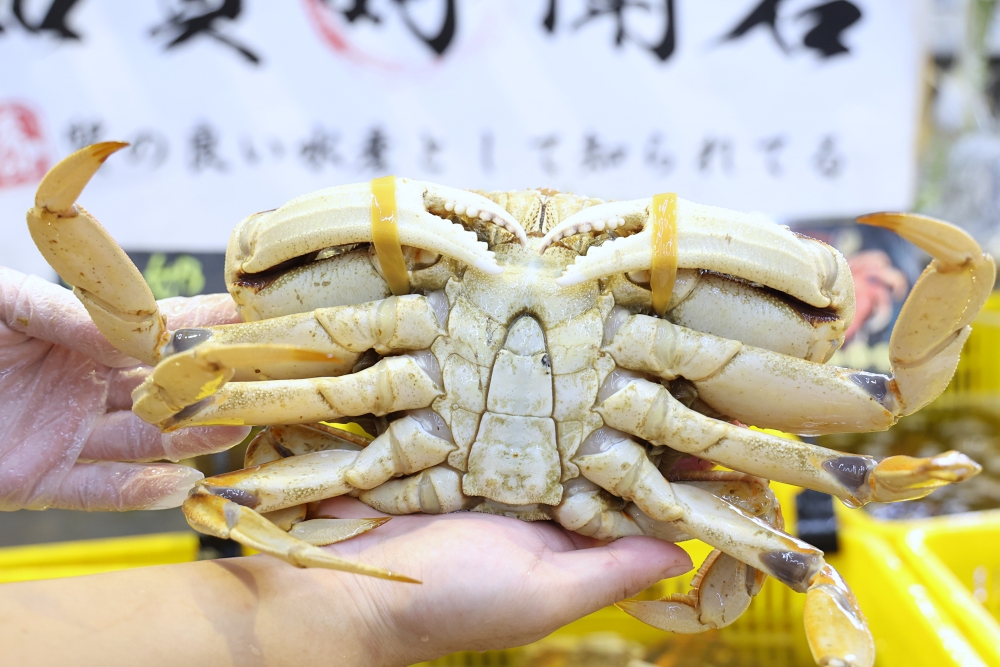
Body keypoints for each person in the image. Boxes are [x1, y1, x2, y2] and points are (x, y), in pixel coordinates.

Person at [0, 268, 692, 666]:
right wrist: (361, 605)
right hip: (387, 487)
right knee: (220, 469)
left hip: (394, 493)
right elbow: (177, 390)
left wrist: (363, 605)